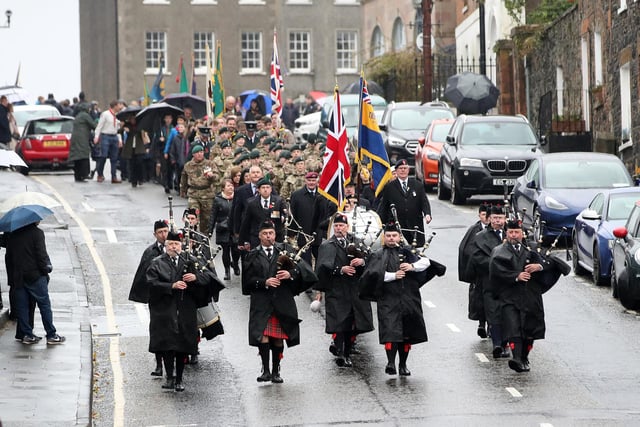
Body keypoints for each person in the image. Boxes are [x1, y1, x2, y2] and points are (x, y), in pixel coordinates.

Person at [359, 221, 444, 376]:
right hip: (388, 299)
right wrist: (393, 276)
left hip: (408, 299)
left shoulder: (407, 252)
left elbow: (426, 262)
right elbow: (370, 275)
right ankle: (390, 363)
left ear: (399, 237)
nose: (391, 238)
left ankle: (403, 365)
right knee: (391, 332)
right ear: (384, 238)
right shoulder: (377, 255)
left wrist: (412, 267)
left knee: (406, 334)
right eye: (388, 236)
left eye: (394, 235)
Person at [241, 220, 317, 383]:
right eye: (265, 234)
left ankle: (276, 371)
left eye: (271, 233)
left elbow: (306, 271)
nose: (268, 237)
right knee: (262, 335)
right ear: (259, 236)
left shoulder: (286, 251)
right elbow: (247, 283)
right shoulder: (251, 255)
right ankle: (265, 370)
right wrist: (264, 282)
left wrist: (291, 274)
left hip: (282, 300)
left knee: (277, 337)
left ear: (275, 234)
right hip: (261, 301)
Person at [146, 230, 208, 392]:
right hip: (165, 309)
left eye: (177, 244)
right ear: (165, 246)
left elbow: (208, 277)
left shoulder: (191, 261)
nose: (174, 247)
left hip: (185, 308)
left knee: (182, 345)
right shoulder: (157, 263)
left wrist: (195, 278)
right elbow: (151, 284)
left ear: (181, 246)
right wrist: (170, 286)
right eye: (171, 244)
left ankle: (179, 379)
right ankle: (170, 377)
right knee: (167, 345)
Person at [489, 219, 549, 373]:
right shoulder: (499, 251)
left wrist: (539, 266)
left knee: (529, 331)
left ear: (522, 233)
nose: (514, 235)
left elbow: (551, 262)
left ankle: (524, 357)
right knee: (513, 328)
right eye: (510, 232)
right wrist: (516, 276)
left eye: (517, 232)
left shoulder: (532, 249)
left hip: (530, 297)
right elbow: (496, 271)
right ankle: (516, 358)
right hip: (510, 297)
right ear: (506, 233)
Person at [314, 213, 373, 368]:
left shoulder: (357, 242)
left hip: (354, 289)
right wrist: (340, 269)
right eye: (336, 226)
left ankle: (346, 352)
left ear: (347, 227)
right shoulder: (328, 245)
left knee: (352, 324)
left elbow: (372, 259)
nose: (339, 228)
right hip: (337, 289)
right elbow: (322, 266)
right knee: (340, 322)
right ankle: (340, 352)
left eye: (342, 226)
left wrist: (362, 261)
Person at [5, 221, 65, 345]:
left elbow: (9, 258)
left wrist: (12, 278)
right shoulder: (37, 233)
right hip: (35, 276)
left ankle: (27, 335)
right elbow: (41, 255)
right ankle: (51, 335)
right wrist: (47, 269)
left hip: (19, 277)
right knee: (44, 305)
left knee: (22, 307)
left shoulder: (13, 235)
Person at [129, 220, 169, 377]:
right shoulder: (150, 252)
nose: (163, 235)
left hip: (173, 298)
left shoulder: (175, 248)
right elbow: (143, 275)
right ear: (155, 234)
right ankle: (159, 364)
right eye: (160, 232)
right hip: (157, 299)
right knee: (157, 331)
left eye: (165, 231)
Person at [470, 205, 509, 358]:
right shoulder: (480, 236)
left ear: (505, 219)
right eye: (494, 218)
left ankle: (505, 344)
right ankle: (497, 344)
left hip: (509, 281)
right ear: (489, 219)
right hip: (489, 280)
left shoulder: (511, 233)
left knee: (507, 313)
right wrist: (495, 264)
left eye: (500, 218)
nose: (497, 221)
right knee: (493, 313)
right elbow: (476, 258)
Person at [377, 159, 432, 247]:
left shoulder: (417, 185)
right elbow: (384, 206)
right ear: (396, 170)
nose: (403, 170)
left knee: (414, 252)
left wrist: (427, 214)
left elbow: (424, 201)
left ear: (408, 170)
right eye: (400, 168)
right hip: (398, 226)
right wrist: (381, 223)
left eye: (405, 168)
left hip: (414, 225)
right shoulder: (389, 187)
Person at [458, 203, 490, 338]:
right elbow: (465, 249)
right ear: (479, 215)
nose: (487, 218)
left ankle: (492, 327)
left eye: (489, 216)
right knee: (480, 300)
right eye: (484, 215)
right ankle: (481, 324)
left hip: (494, 272)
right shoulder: (474, 230)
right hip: (479, 272)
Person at [180, 145, 219, 236]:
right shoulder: (188, 165)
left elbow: (217, 177)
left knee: (206, 219)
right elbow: (183, 178)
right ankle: (193, 236)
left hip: (207, 194)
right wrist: (183, 190)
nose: (200, 154)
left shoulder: (209, 164)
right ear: (193, 154)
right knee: (193, 216)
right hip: (193, 194)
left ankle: (204, 239)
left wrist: (212, 175)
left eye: (201, 152)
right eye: (197, 153)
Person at [239, 178, 288, 250]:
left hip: (275, 237)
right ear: (258, 190)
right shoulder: (251, 203)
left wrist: (283, 217)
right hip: (257, 237)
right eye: (263, 187)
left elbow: (285, 215)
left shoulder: (279, 201)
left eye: (268, 187)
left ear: (271, 189)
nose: (265, 190)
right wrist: (243, 240)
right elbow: (246, 222)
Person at [209, 179, 240, 280]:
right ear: (223, 188)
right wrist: (210, 230)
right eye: (228, 186)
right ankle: (227, 270)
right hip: (223, 228)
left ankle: (235, 263)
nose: (231, 187)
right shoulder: (218, 200)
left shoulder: (237, 198)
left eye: (232, 185)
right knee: (225, 250)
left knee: (236, 249)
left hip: (235, 228)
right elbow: (213, 215)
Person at [288, 171, 321, 263]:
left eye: (314, 180)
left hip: (319, 235)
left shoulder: (323, 194)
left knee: (320, 262)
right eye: (309, 180)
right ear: (305, 181)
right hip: (303, 235)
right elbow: (292, 216)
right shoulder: (296, 195)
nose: (311, 182)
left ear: (317, 181)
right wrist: (291, 234)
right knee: (304, 263)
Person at [94, 99, 125, 183]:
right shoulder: (105, 114)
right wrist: (96, 136)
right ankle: (100, 174)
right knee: (103, 156)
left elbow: (118, 130)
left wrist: (120, 140)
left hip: (114, 136)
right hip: (105, 136)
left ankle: (113, 177)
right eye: (119, 105)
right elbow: (99, 126)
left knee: (114, 158)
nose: (120, 107)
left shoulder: (118, 115)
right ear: (115, 106)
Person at [69, 102, 97, 182]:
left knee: (77, 157)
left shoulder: (78, 115)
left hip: (75, 139)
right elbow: (93, 125)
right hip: (82, 139)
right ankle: (84, 174)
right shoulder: (85, 115)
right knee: (83, 155)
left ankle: (77, 175)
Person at [120, 115, 149, 188]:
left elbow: (139, 131)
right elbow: (119, 131)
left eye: (134, 119)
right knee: (131, 164)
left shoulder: (140, 125)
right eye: (131, 119)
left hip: (139, 147)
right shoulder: (127, 125)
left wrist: (130, 130)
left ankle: (140, 178)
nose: (133, 120)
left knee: (139, 163)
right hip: (130, 147)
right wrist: (123, 127)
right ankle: (133, 180)